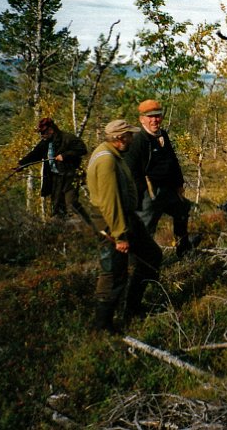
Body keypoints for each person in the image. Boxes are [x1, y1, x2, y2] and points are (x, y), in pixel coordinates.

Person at [86, 119, 164, 332]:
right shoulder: (106, 161)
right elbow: (110, 202)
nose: (132, 138)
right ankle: (102, 326)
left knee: (152, 256)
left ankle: (133, 309)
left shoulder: (111, 154)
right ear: (119, 138)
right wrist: (119, 236)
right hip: (113, 223)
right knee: (113, 273)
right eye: (129, 135)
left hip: (126, 218)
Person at [124, 99, 193, 260]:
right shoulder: (138, 140)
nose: (155, 120)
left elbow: (173, 161)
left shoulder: (163, 135)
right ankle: (141, 263)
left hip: (167, 190)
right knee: (146, 229)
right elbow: (131, 172)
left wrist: (179, 184)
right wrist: (143, 195)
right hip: (149, 192)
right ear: (142, 119)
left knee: (183, 209)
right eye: (150, 117)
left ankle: (184, 250)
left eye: (157, 116)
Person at [16, 117, 90, 223]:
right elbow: (34, 155)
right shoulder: (45, 143)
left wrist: (65, 155)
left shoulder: (68, 138)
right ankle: (63, 235)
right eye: (41, 133)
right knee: (57, 210)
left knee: (71, 205)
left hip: (71, 177)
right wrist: (21, 164)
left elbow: (82, 149)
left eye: (44, 132)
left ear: (51, 129)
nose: (42, 135)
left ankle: (89, 229)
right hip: (56, 179)